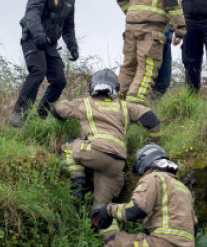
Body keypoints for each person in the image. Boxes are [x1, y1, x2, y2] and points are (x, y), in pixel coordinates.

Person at [51, 69, 161, 205]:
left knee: (68, 147)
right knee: (102, 214)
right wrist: (153, 141)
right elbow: (151, 119)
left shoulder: (85, 104)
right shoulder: (125, 106)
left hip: (94, 152)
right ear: (115, 88)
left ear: (92, 87)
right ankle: (106, 223)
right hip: (117, 163)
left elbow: (57, 110)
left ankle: (78, 185)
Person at [116, 0, 187, 105]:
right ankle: (134, 112)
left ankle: (113, 110)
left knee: (128, 68)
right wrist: (180, 28)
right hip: (152, 28)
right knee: (146, 71)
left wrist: (131, 13)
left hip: (132, 25)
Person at [9, 0, 81, 127]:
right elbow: (32, 14)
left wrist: (73, 46)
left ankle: (40, 118)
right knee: (38, 72)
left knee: (59, 80)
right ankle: (18, 116)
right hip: (33, 38)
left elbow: (69, 26)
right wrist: (39, 35)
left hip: (49, 43)